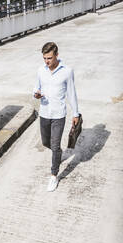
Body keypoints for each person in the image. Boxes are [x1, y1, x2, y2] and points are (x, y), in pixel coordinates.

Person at [33, 42, 80, 192]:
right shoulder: (41, 70)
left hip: (59, 114)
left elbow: (72, 93)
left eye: (50, 58)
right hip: (44, 113)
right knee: (46, 142)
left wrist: (76, 113)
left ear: (57, 55)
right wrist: (36, 93)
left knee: (54, 145)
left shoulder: (67, 71)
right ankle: (58, 153)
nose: (47, 61)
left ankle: (54, 175)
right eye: (45, 58)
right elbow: (36, 87)